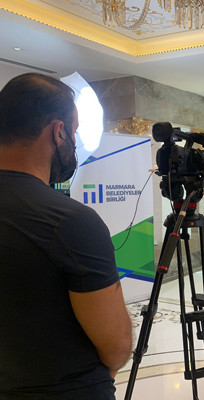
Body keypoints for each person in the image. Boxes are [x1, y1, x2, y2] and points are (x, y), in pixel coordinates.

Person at [0, 73, 132, 399]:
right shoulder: (71, 221)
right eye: (74, 132)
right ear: (58, 131)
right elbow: (116, 346)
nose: (74, 141)